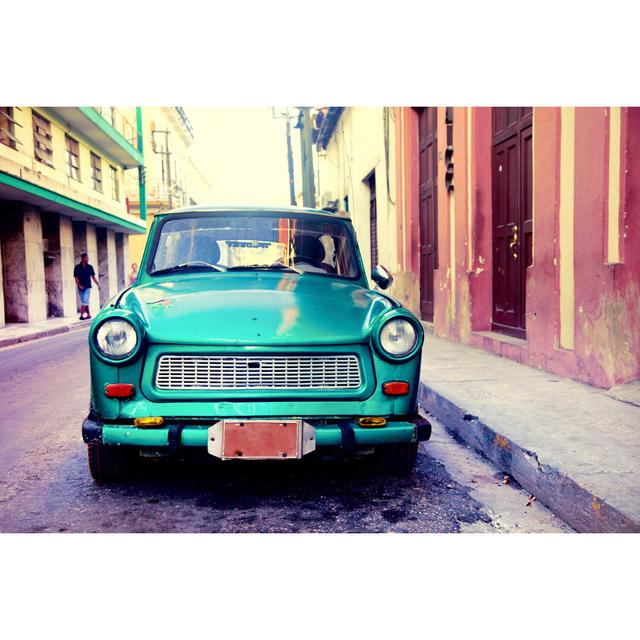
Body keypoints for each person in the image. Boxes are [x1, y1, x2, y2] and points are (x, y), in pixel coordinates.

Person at [74, 253, 100, 320]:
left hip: (87, 286)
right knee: (85, 301)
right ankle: (88, 314)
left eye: (88, 258)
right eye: (86, 258)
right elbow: (76, 277)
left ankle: (81, 315)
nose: (88, 259)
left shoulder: (90, 267)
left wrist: (98, 284)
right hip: (80, 287)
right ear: (82, 258)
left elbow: (93, 277)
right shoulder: (77, 267)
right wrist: (79, 285)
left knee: (84, 301)